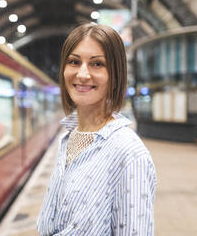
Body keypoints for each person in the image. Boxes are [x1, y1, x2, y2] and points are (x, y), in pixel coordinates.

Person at [37, 23, 157, 235]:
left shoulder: (129, 153)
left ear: (115, 74)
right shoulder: (68, 138)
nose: (82, 74)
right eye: (74, 62)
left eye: (97, 64)